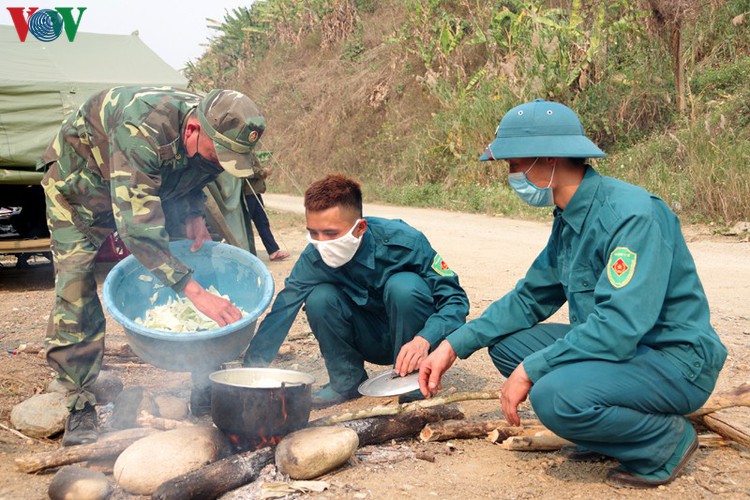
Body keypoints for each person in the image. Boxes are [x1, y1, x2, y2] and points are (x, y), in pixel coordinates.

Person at [418, 99, 727, 488]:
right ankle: (605, 432)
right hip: (628, 354)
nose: (511, 176)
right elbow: (530, 296)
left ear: (549, 160)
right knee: (507, 345)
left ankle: (663, 441)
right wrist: (453, 345)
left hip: (674, 362)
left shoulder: (632, 216)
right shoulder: (570, 216)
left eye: (515, 165)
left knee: (553, 396)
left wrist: (533, 370)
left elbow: (618, 328)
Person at [40, 86, 266, 446]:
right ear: (193, 129)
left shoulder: (210, 126)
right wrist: (195, 293)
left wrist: (193, 213)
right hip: (79, 190)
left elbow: (195, 169)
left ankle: (204, 379)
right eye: (217, 154)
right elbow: (138, 230)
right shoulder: (140, 127)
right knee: (75, 286)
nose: (220, 162)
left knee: (196, 258)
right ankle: (79, 403)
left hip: (146, 187)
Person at [244, 174, 469, 408]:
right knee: (319, 298)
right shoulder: (313, 258)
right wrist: (249, 372)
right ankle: (346, 382)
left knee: (404, 286)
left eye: (331, 234)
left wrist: (425, 339)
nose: (322, 243)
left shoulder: (404, 242)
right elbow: (282, 312)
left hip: (412, 339)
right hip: (366, 338)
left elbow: (455, 300)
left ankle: (414, 380)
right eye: (314, 233)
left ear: (360, 227)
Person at [243, 157, 289, 261]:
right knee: (245, 226)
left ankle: (273, 251)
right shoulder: (241, 150)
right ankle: (244, 253)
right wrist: (263, 172)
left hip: (254, 192)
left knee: (262, 222)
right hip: (247, 194)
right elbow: (245, 169)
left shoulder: (249, 150)